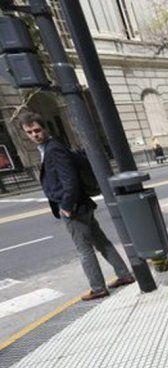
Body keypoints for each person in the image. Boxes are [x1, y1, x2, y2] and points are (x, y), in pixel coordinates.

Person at [20, 111, 135, 301]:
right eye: (29, 132)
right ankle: (124, 274)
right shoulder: (49, 147)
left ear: (44, 128)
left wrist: (66, 206)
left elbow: (70, 179)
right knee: (101, 242)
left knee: (84, 249)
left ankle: (98, 288)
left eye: (37, 130)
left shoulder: (53, 149)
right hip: (82, 206)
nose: (34, 135)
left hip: (73, 208)